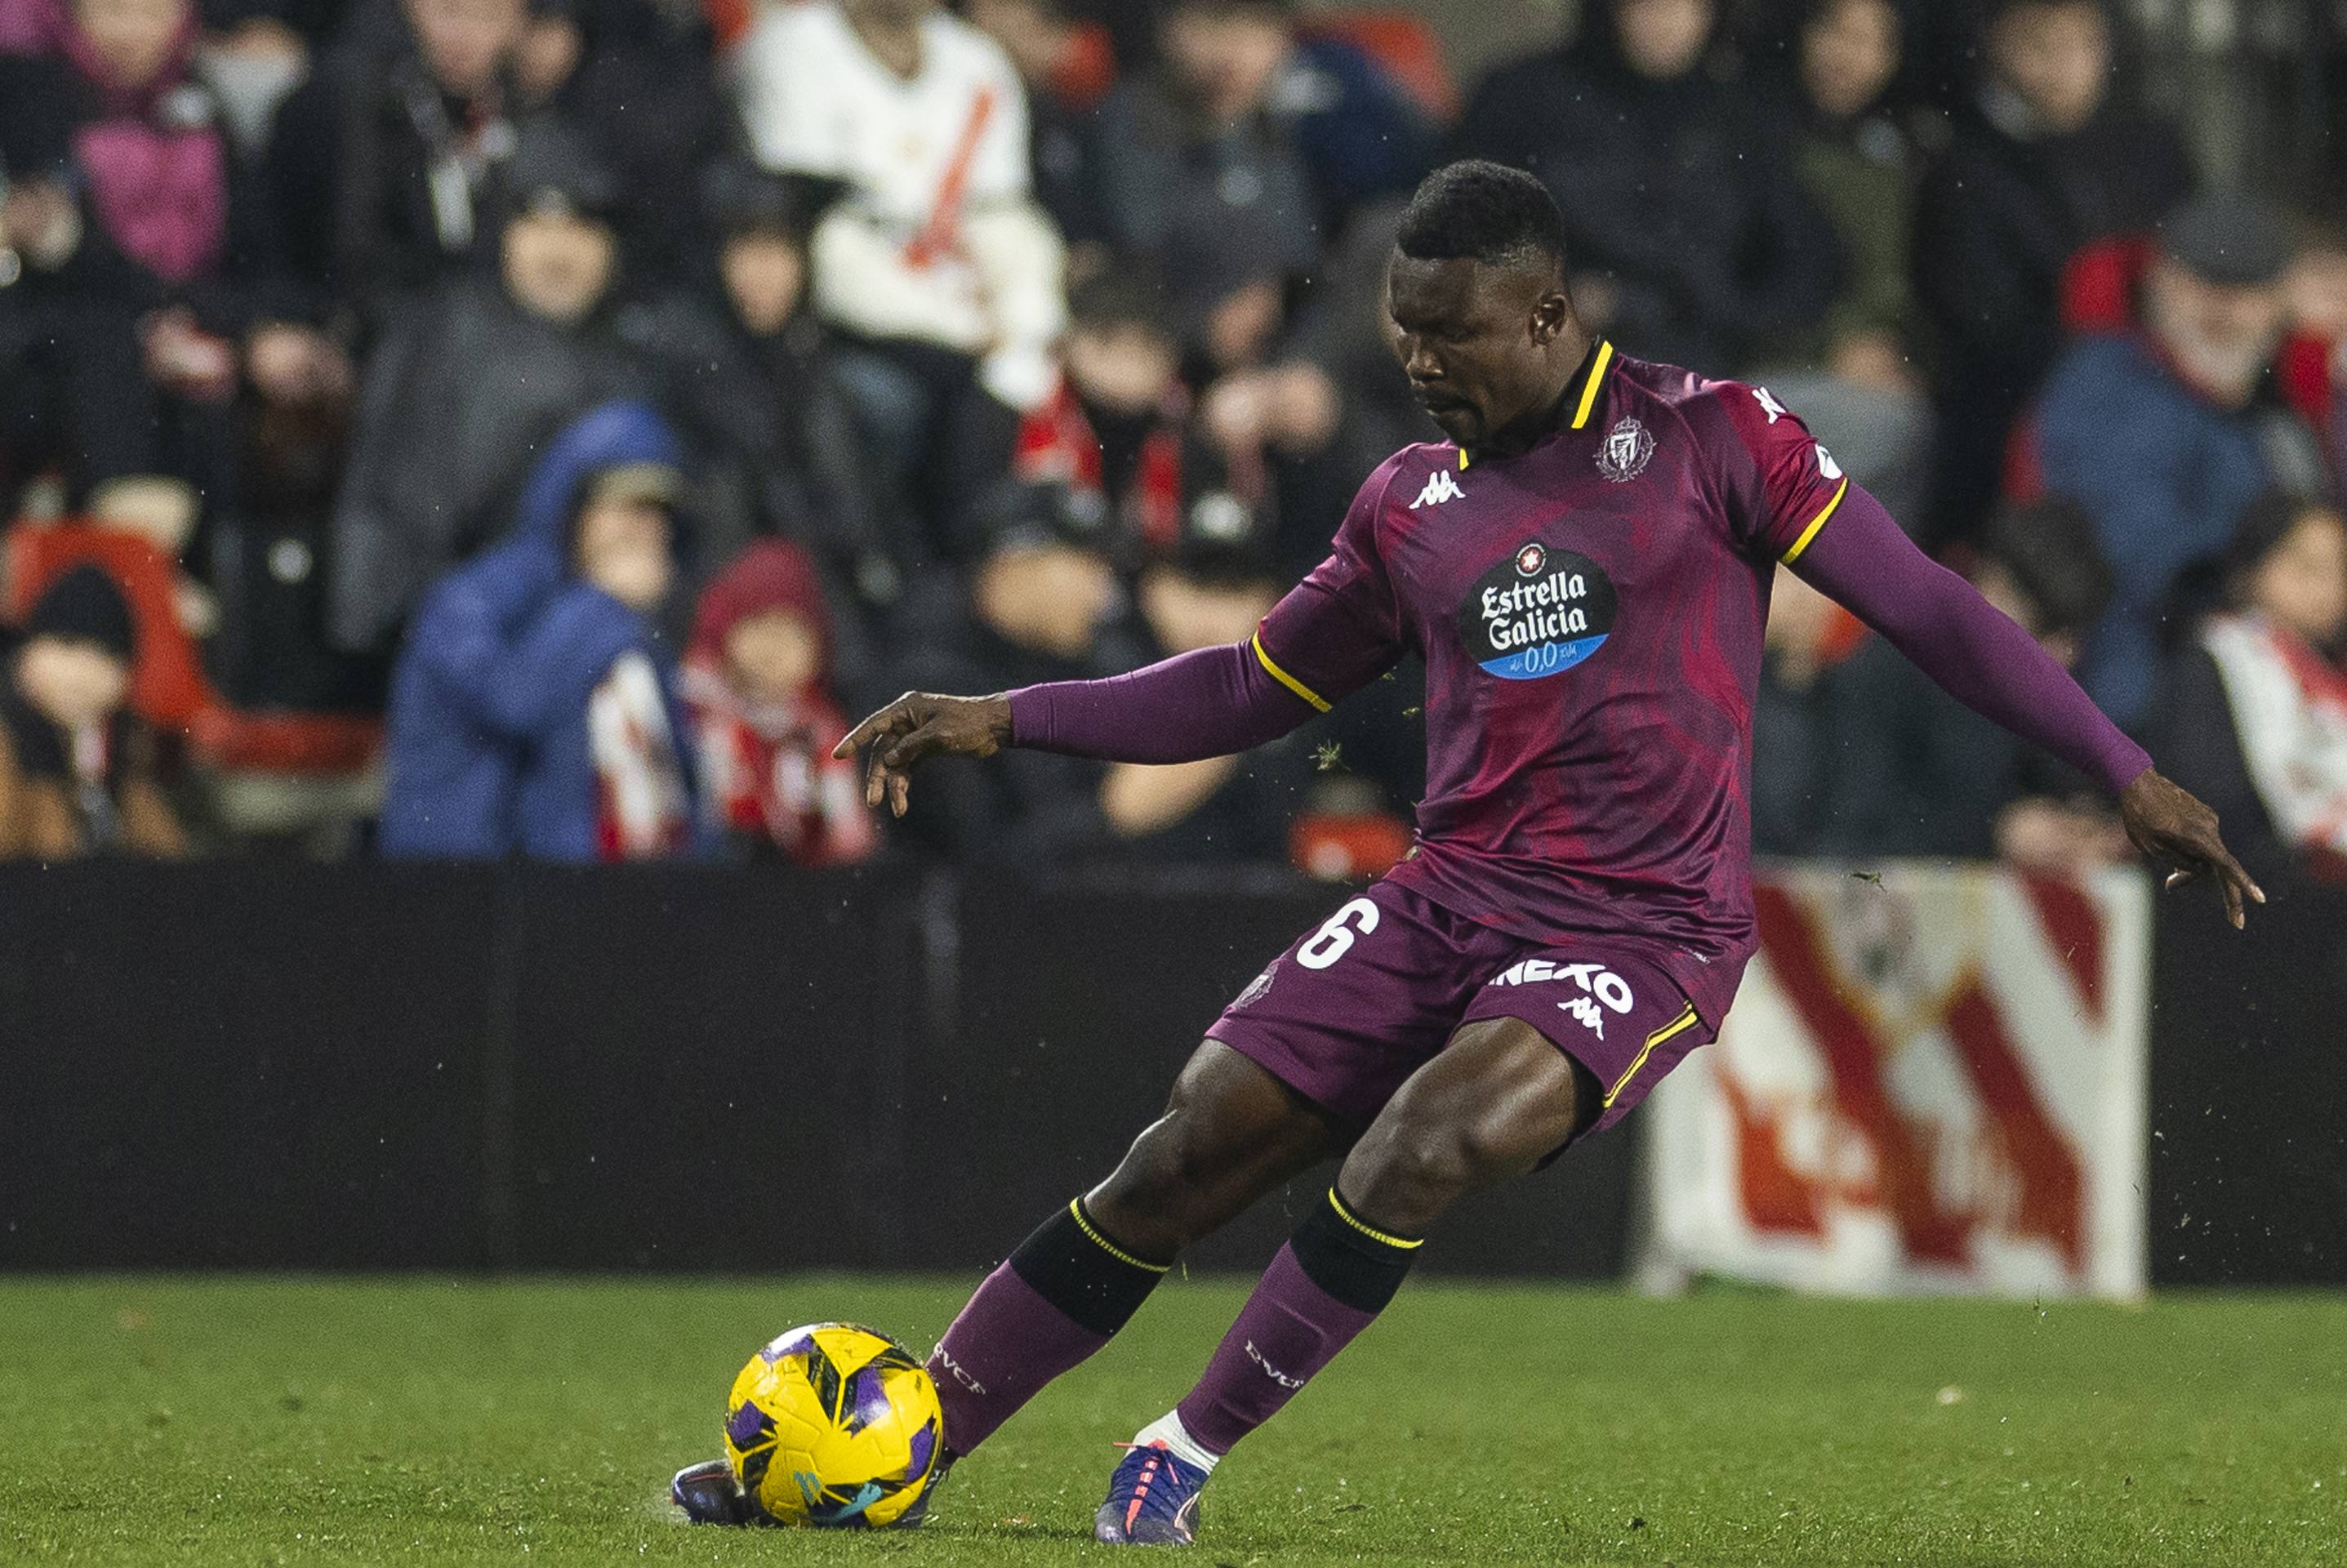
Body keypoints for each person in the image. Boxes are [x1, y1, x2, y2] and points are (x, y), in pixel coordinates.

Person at [670, 162, 2259, 1543]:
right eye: (1401, 327)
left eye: (1452, 331)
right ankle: (905, 1450)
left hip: (1644, 927)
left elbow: (1928, 607)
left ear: (1548, 319)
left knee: (1421, 1142)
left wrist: (2121, 769)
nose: (1419, 358)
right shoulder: (1407, 502)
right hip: (1447, 896)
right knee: (1183, 1154)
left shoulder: (1720, 439)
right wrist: (1009, 716)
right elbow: (1245, 685)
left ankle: (1178, 1455)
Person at [733, 0, 1064, 559]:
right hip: (842, 313)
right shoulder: (792, 48)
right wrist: (960, 327)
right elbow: (819, 232)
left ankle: (984, 564)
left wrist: (1023, 323)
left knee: (1025, 377)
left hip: (959, 299)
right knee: (900, 403)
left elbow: (1003, 218)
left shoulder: (976, 60)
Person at [327, 127, 652, 653]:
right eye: (538, 224)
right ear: (502, 233)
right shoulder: (448, 340)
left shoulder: (633, 358)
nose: (560, 252)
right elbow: (398, 550)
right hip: (451, 661)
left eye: (584, 229)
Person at [2032, 194, 2324, 729]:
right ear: (2161, 281)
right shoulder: (2107, 379)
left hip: (2282, 692)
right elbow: (2136, 551)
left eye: (2245, 292)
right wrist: (2264, 585)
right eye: (2204, 284)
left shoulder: (2282, 417)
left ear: (2279, 303)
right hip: (2135, 687)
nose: (2223, 309)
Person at [1910, 0, 2193, 544]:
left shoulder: (2147, 145)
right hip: (2025, 407)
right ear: (1999, 45)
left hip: (2155, 383)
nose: (2067, 67)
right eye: (2043, 46)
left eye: (2085, 46)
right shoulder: (1965, 168)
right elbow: (1988, 330)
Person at [378, 399, 701, 862]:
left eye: (659, 514)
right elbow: (513, 703)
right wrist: (602, 601)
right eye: (626, 507)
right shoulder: (476, 599)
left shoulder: (636, 620)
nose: (644, 531)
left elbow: (671, 770)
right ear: (575, 510)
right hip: (461, 882)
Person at [1447, 0, 1839, 374]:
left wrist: (1726, 315)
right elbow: (1458, 220)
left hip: (1700, 359)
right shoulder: (1524, 97)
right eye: (1645, 3)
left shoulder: (1740, 119)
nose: (1665, 19)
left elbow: (1804, 255)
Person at [1819, 498, 2131, 869]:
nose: (2062, 658)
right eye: (2042, 631)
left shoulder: (2043, 702)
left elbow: (2054, 790)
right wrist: (1994, 838)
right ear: (1988, 583)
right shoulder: (1893, 671)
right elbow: (1847, 842)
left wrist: (2083, 828)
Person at [1081, 0, 1323, 373]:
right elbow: (1133, 257)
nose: (1233, 46)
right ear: (1168, 27)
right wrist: (1201, 328)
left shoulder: (1285, 131)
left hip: (1276, 364)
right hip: (1157, 360)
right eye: (1213, 19)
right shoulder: (1128, 123)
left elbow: (1305, 258)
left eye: (1255, 24)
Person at [2153, 492, 2347, 887]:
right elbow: (2208, 797)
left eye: (2339, 570)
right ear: (2252, 566)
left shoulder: (2331, 680)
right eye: (2306, 566)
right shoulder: (2213, 663)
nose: (2326, 586)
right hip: (2246, 891)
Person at [680, 539, 875, 867]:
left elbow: (847, 837)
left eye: (793, 632)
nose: (775, 647)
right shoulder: (695, 711)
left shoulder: (820, 731)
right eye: (759, 625)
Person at [0, 565, 187, 859]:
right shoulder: (9, 737)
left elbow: (166, 851)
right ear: (29, 651)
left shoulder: (123, 741)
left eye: (107, 656)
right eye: (67, 644)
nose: (83, 672)